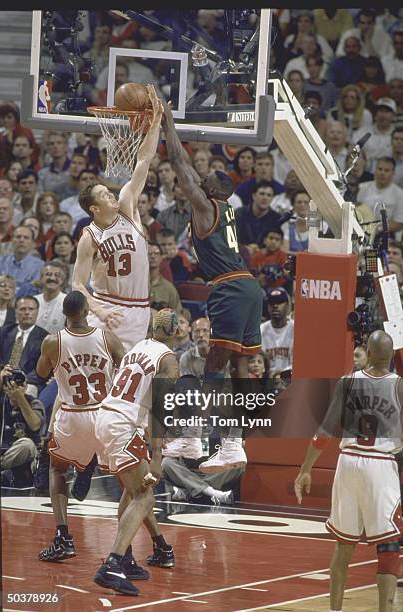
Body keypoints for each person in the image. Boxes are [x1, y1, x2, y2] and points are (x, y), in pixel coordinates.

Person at [163, 100, 263, 472]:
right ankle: (232, 444)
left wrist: (168, 122)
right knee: (237, 369)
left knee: (214, 369)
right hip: (249, 288)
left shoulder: (208, 207)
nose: (197, 184)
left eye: (204, 183)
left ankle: (194, 438)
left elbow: (178, 163)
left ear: (214, 189)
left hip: (231, 288)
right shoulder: (228, 212)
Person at [294, 330, 403, 612]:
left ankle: (335, 610)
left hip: (348, 463)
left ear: (367, 351)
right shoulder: (399, 386)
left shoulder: (348, 381)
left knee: (344, 546)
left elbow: (325, 430)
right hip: (380, 465)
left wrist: (306, 469)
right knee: (389, 548)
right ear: (391, 356)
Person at [93, 309, 179, 595]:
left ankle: (127, 558)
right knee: (145, 495)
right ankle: (112, 564)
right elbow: (159, 409)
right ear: (177, 331)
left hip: (106, 415)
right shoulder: (169, 360)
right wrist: (156, 457)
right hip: (123, 423)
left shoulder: (138, 348)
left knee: (131, 492)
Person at [35, 291, 125, 561]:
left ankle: (63, 537)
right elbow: (124, 368)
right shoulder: (106, 337)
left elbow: (40, 373)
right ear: (88, 311)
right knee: (128, 480)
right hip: (102, 414)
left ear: (64, 313)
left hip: (73, 414)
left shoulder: (53, 341)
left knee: (57, 470)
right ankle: (132, 548)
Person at [72, 85, 163, 351]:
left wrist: (155, 122)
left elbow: (144, 160)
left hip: (138, 309)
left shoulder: (127, 206)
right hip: (106, 308)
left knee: (125, 379)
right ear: (94, 209)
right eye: (103, 195)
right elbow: (77, 282)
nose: (110, 194)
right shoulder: (89, 237)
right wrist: (98, 311)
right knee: (96, 376)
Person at [357, 157, 403, 232]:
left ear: (393, 173)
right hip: (361, 231)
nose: (382, 173)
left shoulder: (400, 194)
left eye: (386, 170)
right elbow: (356, 211)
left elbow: (399, 223)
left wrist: (377, 229)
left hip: (386, 235)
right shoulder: (362, 187)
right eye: (380, 169)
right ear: (375, 170)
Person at [0, 226, 44, 292]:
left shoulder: (40, 266)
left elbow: (34, 291)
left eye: (26, 238)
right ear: (12, 240)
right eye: (18, 237)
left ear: (32, 243)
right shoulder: (0, 262)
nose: (22, 240)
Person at [260, 288, 294, 377]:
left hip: (290, 379)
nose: (275, 306)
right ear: (267, 307)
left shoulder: (296, 329)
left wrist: (281, 373)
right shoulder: (261, 330)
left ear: (287, 305)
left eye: (279, 302)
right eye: (271, 303)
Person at [35, 262, 68, 334]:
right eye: (48, 274)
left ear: (62, 280)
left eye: (57, 275)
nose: (52, 278)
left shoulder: (67, 302)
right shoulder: (34, 301)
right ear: (41, 278)